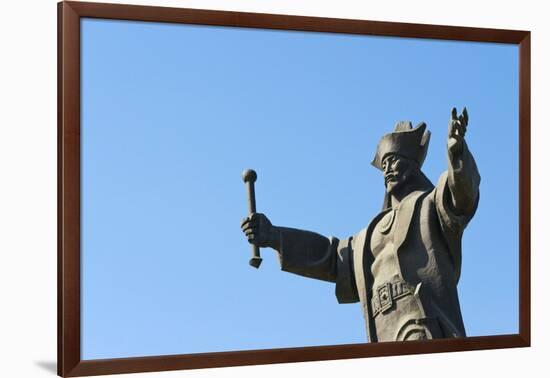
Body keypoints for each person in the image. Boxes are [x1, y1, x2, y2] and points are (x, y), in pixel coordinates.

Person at [240, 107, 480, 342]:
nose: (387, 169)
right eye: (384, 164)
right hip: (381, 329)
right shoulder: (370, 234)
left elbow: (460, 197)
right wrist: (274, 236)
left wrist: (456, 153)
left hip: (420, 321)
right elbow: (333, 257)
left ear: (411, 166)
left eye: (393, 161)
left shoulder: (429, 204)